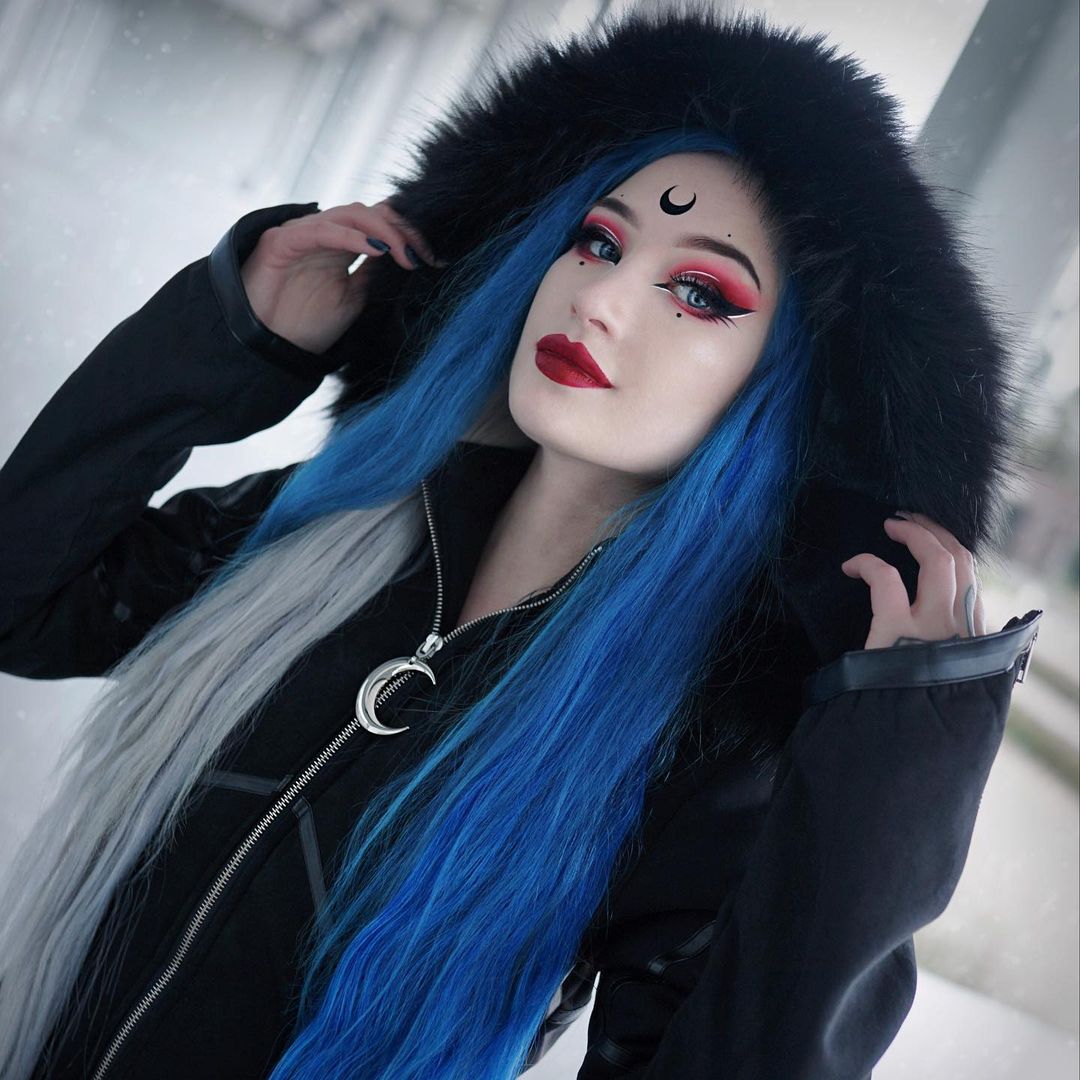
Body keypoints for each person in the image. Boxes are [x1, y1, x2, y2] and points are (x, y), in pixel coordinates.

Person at [0, 6, 1043, 1079]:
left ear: (787, 395)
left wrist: (896, 771)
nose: (600, 298)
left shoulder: (695, 751)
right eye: (598, 241)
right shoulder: (332, 531)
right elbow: (21, 601)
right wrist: (227, 341)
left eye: (699, 291)